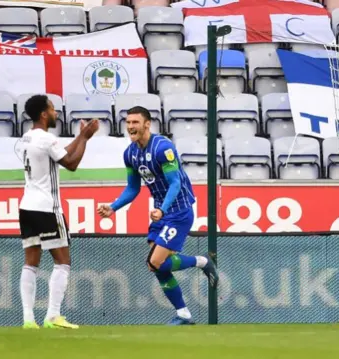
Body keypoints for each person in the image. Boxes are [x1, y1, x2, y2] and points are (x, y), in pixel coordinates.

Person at [96, 106, 218, 325]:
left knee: (155, 261)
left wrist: (163, 209)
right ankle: (183, 314)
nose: (131, 126)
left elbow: (175, 182)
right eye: (128, 122)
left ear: (147, 124)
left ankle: (202, 262)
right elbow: (133, 189)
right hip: (160, 213)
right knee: (156, 266)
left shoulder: (163, 147)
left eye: (135, 122)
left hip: (178, 211)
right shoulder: (130, 153)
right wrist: (113, 208)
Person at [18, 94, 100, 329]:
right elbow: (71, 164)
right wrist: (85, 138)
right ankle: (53, 316)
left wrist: (80, 138)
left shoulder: (27, 138)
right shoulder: (46, 138)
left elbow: (60, 153)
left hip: (27, 206)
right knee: (62, 262)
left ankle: (27, 320)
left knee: (31, 263)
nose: (55, 113)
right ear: (44, 114)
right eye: (52, 109)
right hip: (47, 207)